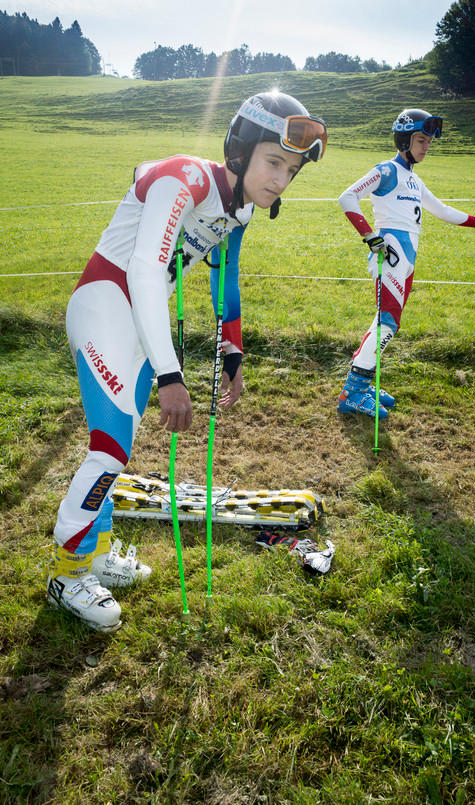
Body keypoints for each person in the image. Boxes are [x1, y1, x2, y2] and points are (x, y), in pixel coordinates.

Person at [47, 91, 327, 632]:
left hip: (142, 326)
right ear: (241, 152)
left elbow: (227, 279)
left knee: (118, 448)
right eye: (274, 162)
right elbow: (147, 272)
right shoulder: (186, 178)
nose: (280, 180)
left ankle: (98, 552)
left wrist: (234, 352)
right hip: (107, 305)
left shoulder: (240, 209)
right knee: (109, 448)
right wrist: (172, 375)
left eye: (291, 171)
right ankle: (67, 573)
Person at [337, 108, 475, 418]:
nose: (427, 147)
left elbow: (442, 211)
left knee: (387, 322)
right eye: (421, 140)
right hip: (392, 254)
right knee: (386, 322)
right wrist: (371, 237)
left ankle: (362, 382)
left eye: (429, 142)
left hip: (407, 258)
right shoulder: (386, 170)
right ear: (404, 140)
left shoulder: (413, 179)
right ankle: (353, 391)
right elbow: (347, 197)